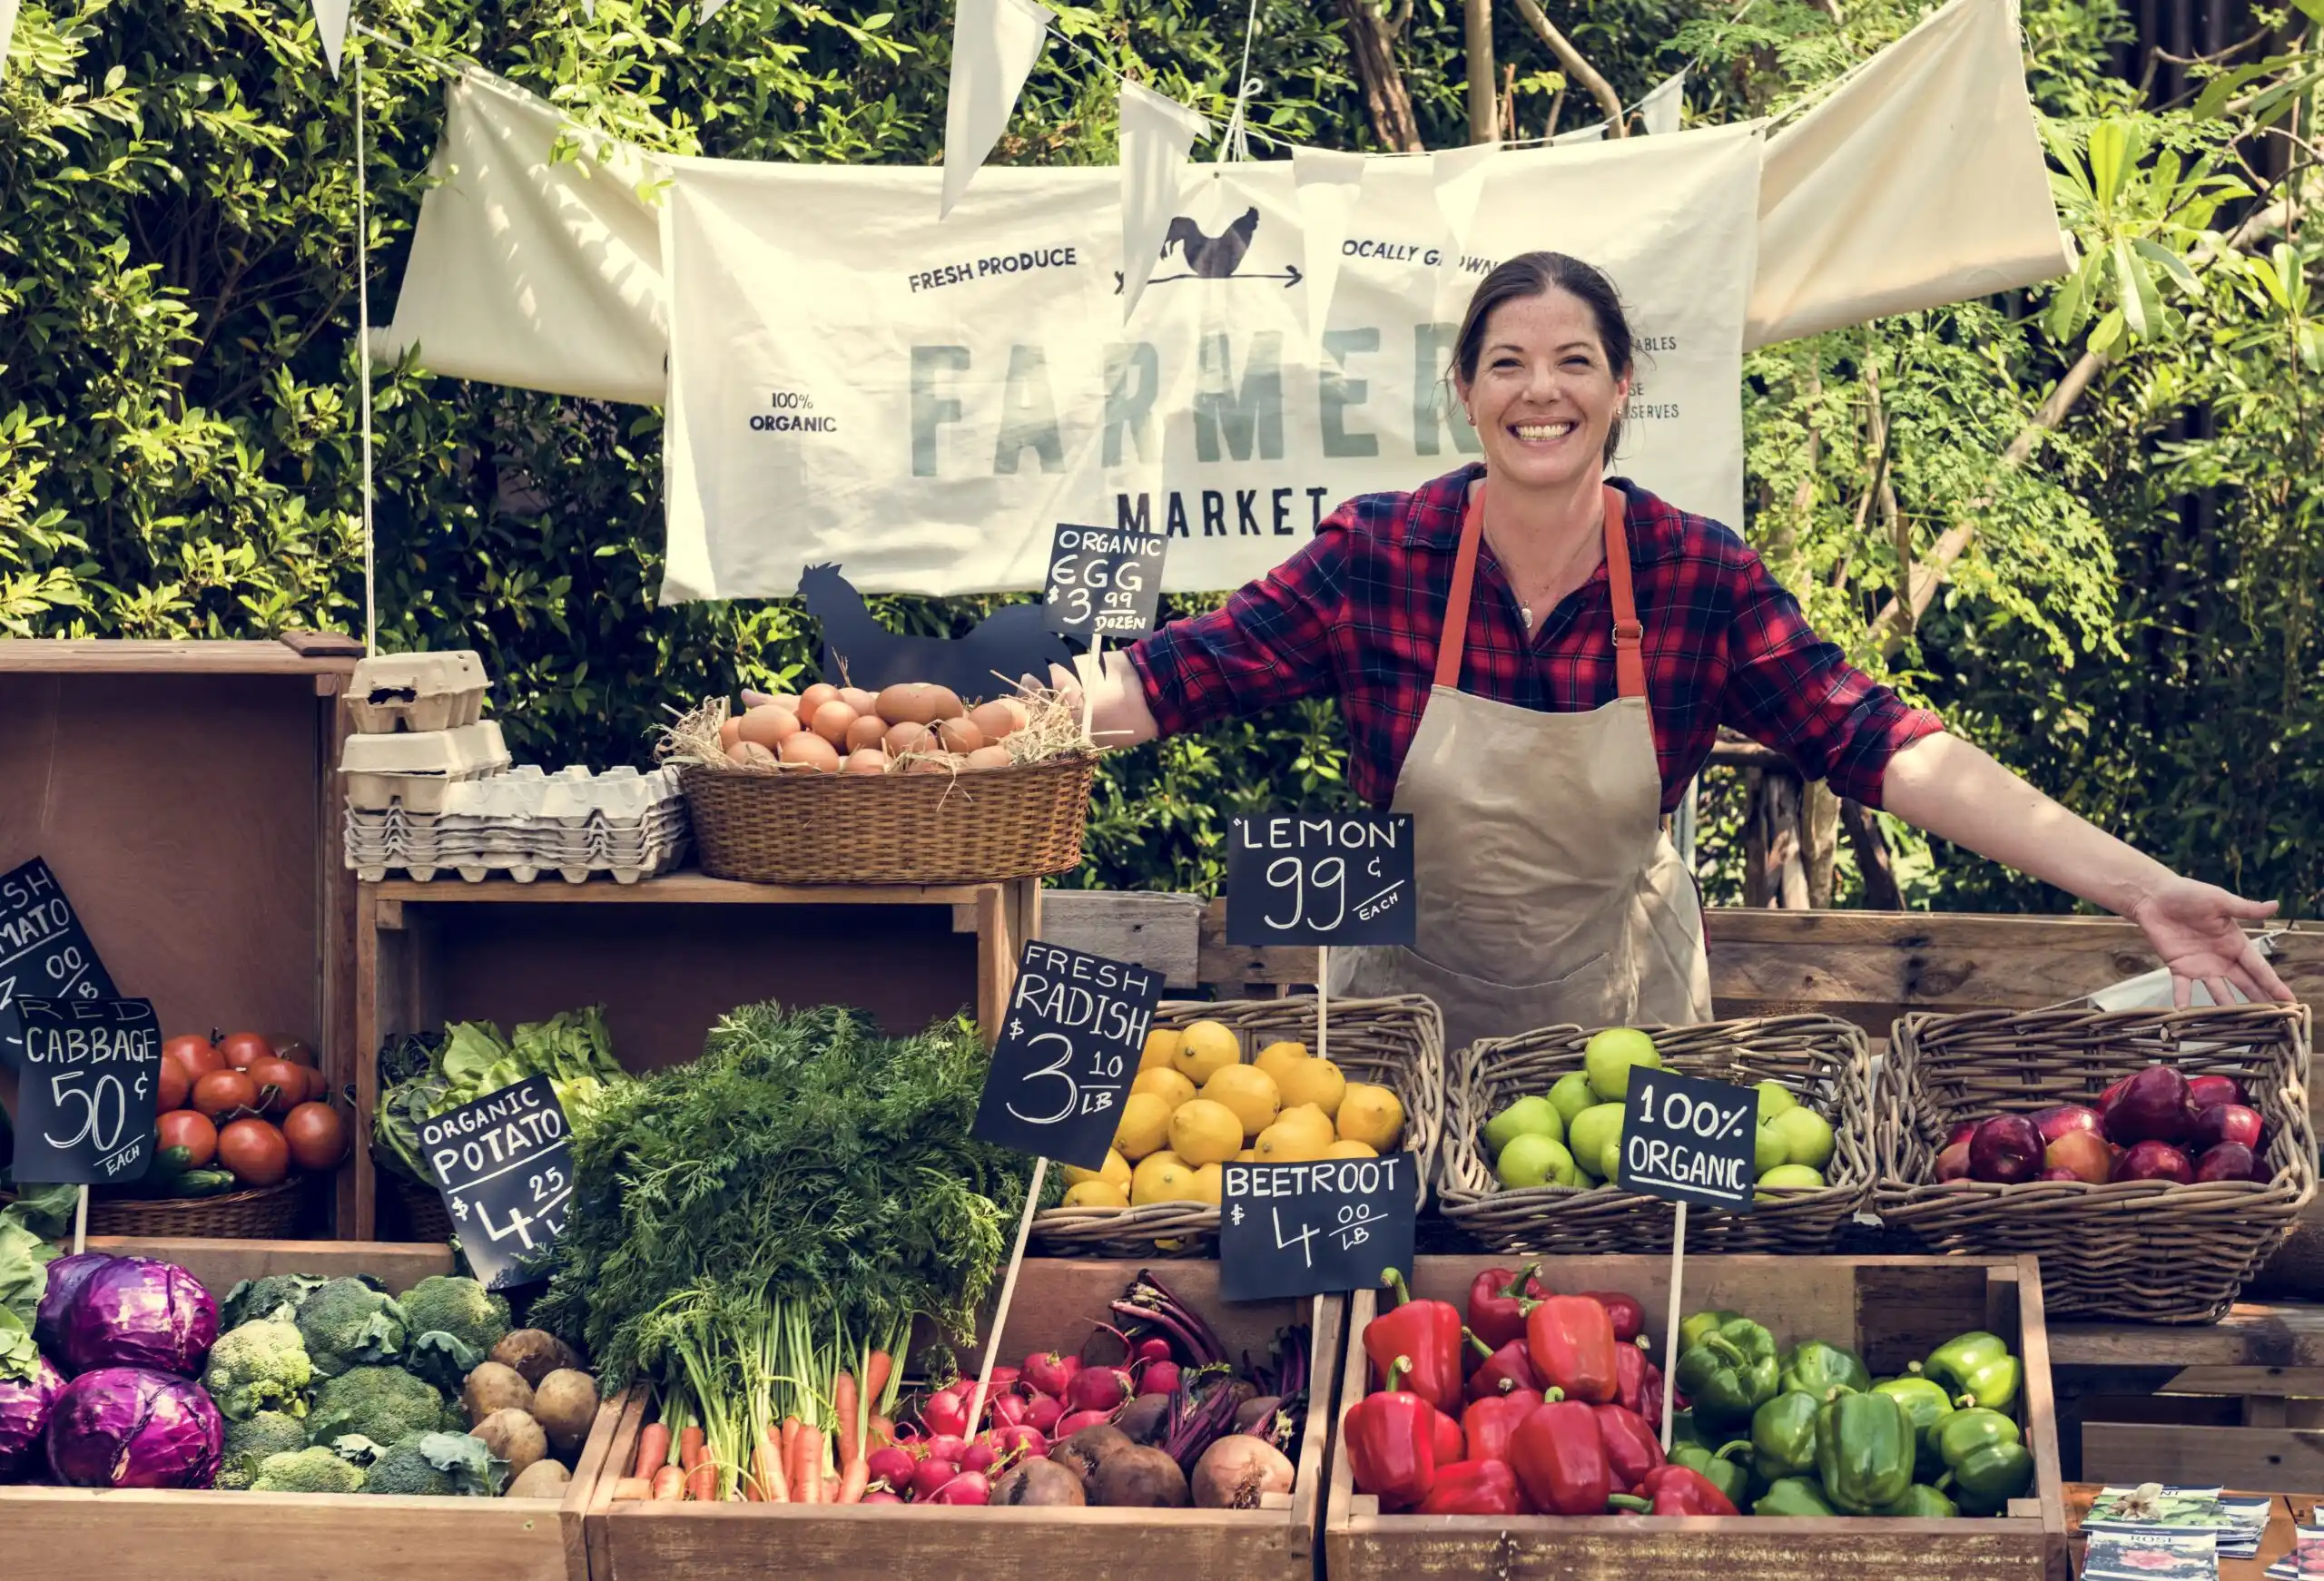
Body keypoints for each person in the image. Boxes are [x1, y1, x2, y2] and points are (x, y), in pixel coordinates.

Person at [1056, 250, 2291, 1055]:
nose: (1543, 391)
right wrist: (983, 737)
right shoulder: (1381, 554)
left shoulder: (1695, 573)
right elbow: (1172, 680)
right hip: (1397, 1039)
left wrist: (2135, 885)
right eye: (1509, 364)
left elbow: (1883, 744)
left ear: (1621, 387)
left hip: (1625, 1035)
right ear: (1466, 393)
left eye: (1574, 362)